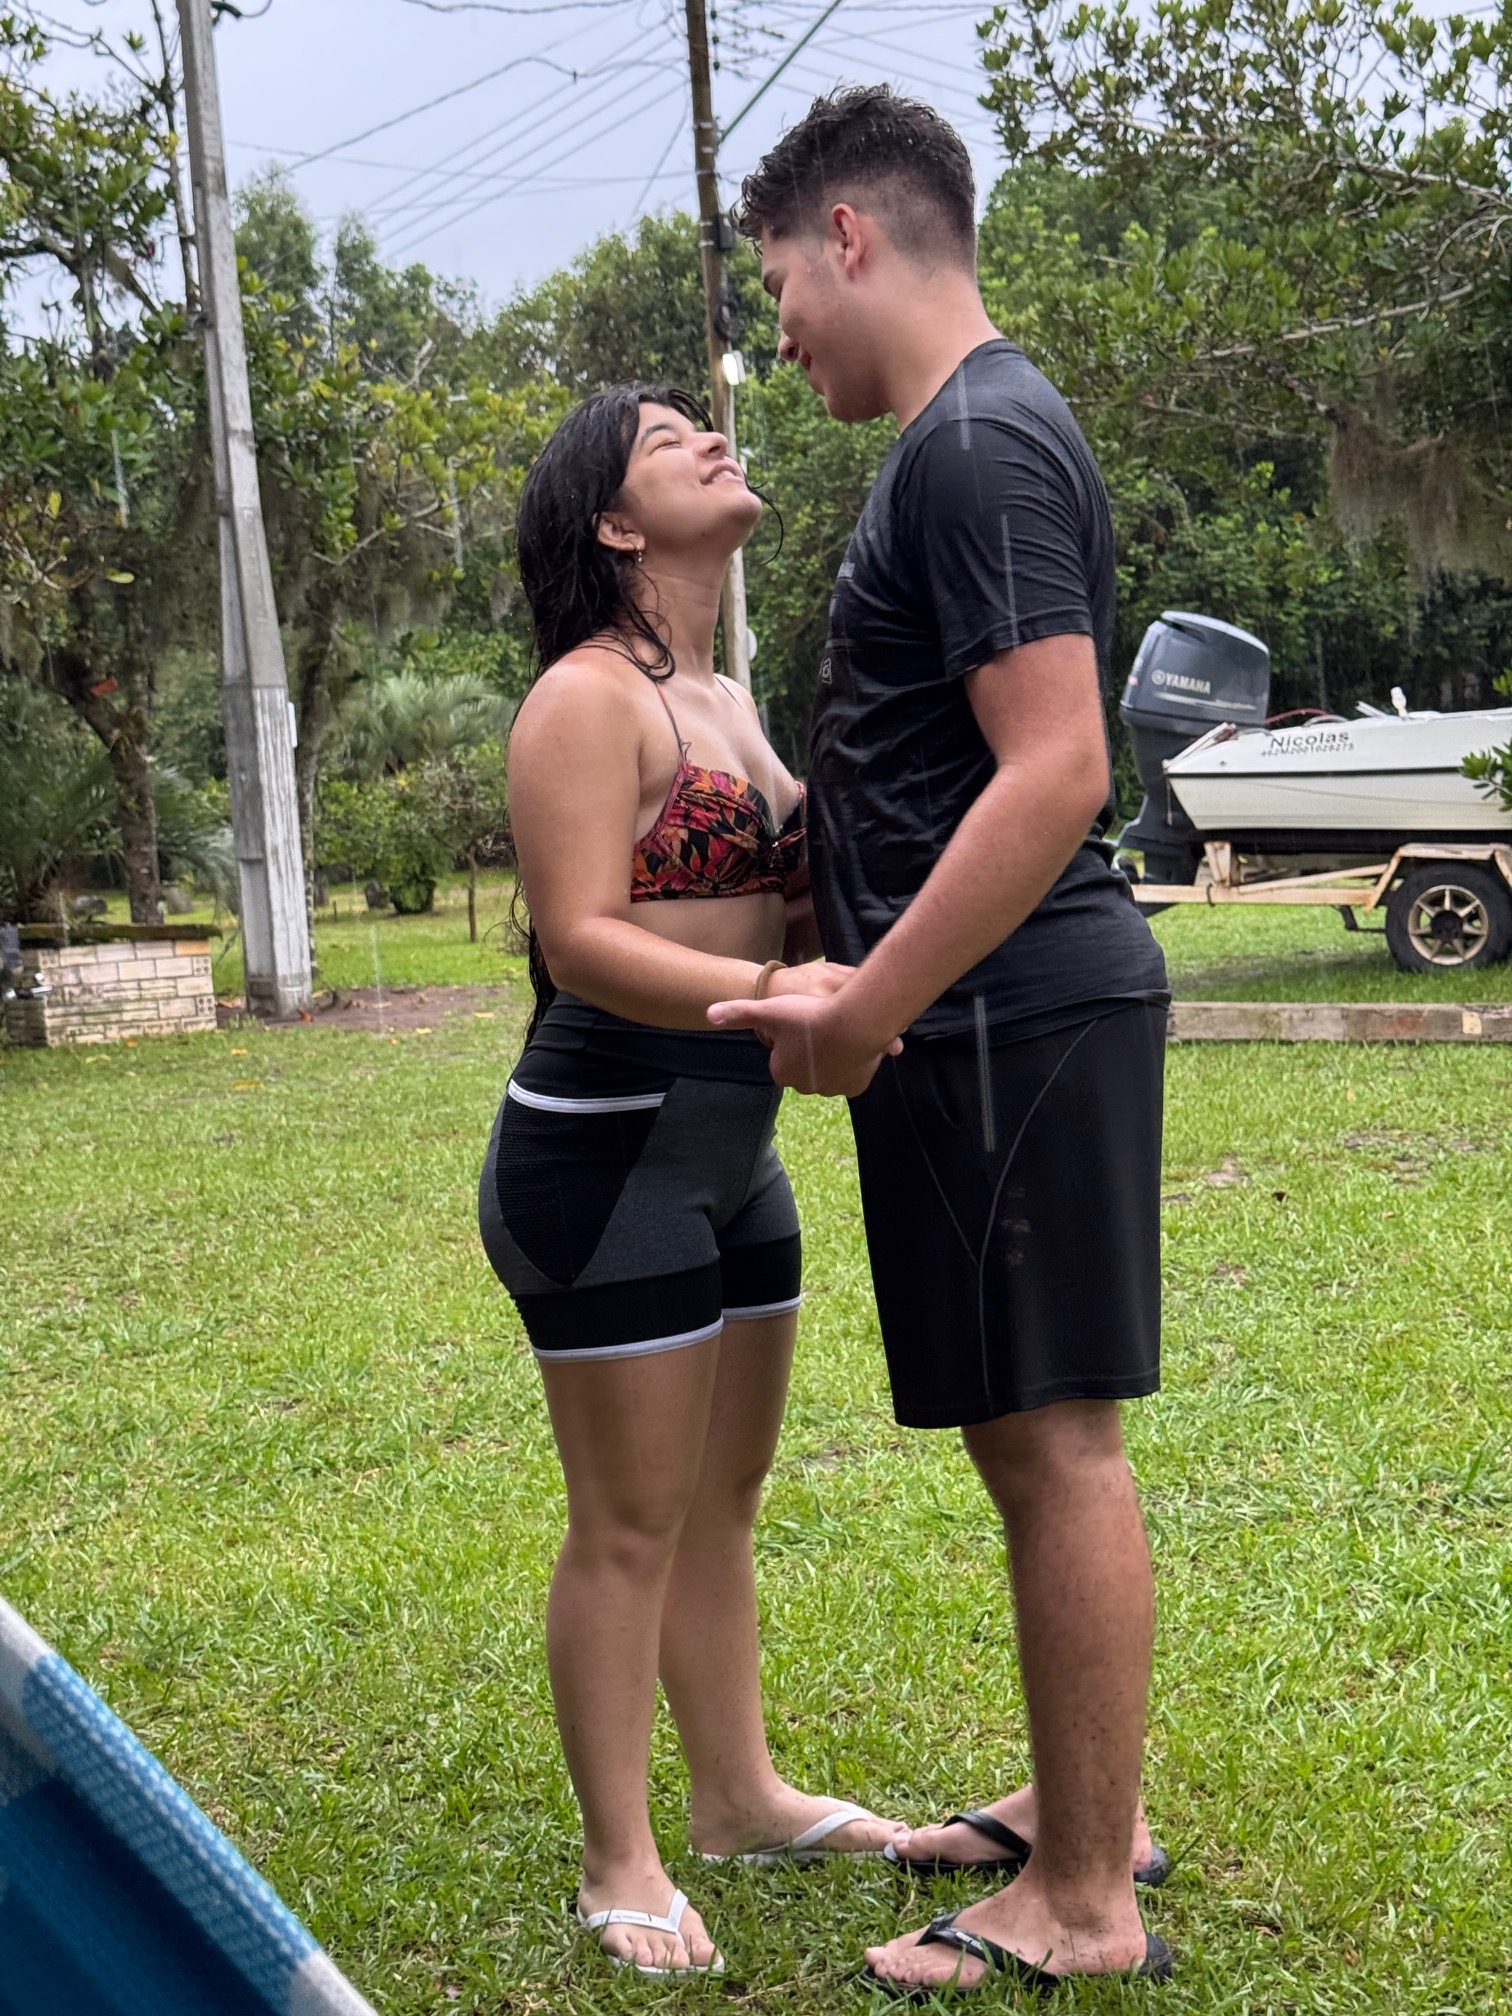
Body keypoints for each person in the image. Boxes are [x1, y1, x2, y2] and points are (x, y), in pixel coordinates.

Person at [710, 89, 1176, 1994]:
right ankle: (1084, 1817)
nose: (780, 340)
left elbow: (1058, 767)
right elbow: (934, 758)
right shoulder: (962, 440)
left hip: (1007, 1016)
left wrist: (868, 999)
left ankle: (1083, 1901)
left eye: (777, 291)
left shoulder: (975, 442)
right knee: (1025, 1432)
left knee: (1053, 1441)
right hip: (990, 1017)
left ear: (848, 236)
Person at [477, 384, 903, 1980]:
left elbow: (789, 906)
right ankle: (621, 1862)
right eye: (668, 443)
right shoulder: (587, 699)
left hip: (733, 1155)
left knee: (722, 1499)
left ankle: (737, 1798)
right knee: (627, 1523)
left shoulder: (724, 696)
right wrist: (779, 994)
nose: (714, 441)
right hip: (604, 1157)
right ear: (612, 521)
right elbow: (582, 938)